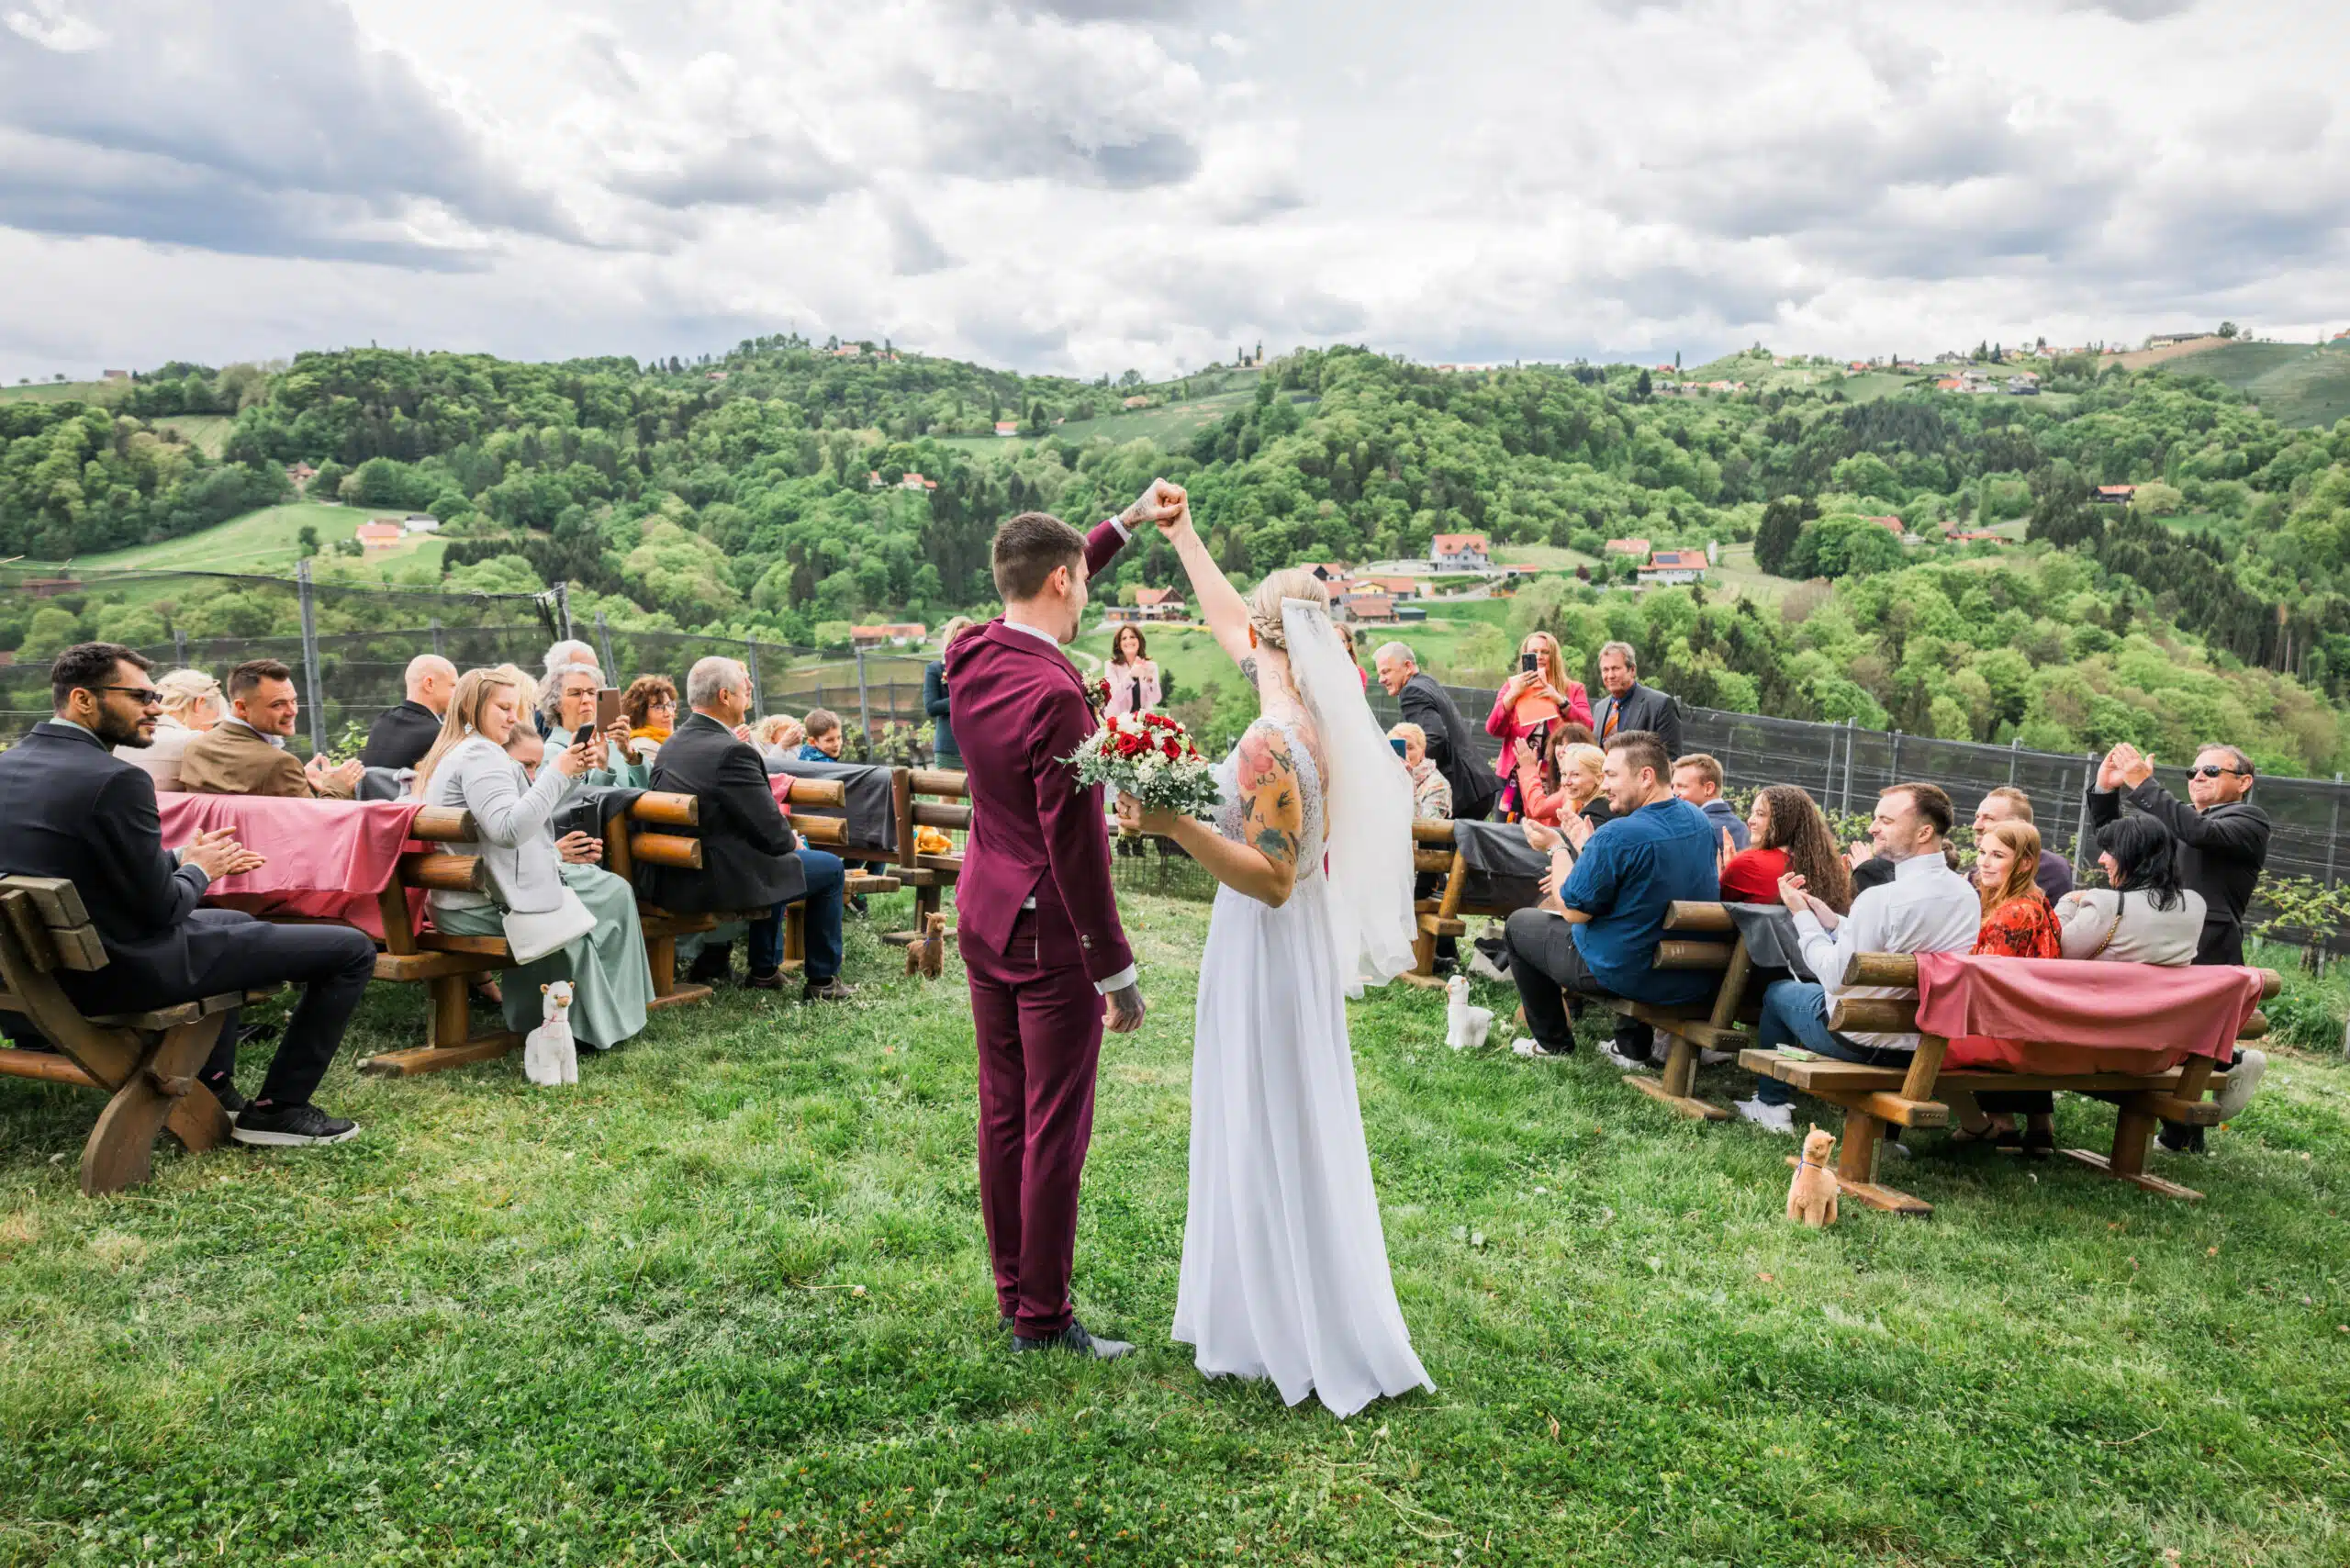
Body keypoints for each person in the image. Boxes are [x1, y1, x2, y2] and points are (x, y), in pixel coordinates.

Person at [1118, 502, 1432, 1417]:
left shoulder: (1269, 740)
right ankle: (1273, 1305)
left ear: (1264, 639)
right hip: (1290, 949)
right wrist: (1184, 535)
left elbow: (1272, 879)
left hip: (1266, 941)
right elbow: (1231, 621)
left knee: (1264, 1113)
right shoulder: (1315, 714)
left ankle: (1280, 1325)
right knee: (1279, 1112)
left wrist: (1170, 822)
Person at [946, 482, 1181, 1361]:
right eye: (1082, 578)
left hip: (985, 911)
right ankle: (1042, 1319)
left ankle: (1015, 1291)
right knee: (1053, 1125)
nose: (1087, 592)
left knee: (1004, 1112)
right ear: (1060, 582)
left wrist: (1125, 523)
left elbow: (1045, 566)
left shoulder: (969, 654)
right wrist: (1114, 973)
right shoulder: (1057, 697)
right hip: (1047, 934)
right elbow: (1078, 850)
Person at [0, 644, 375, 1146]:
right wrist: (201, 870)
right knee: (351, 949)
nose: (155, 708)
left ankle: (212, 1084)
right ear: (82, 700)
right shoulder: (116, 780)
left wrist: (179, 857)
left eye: (154, 696)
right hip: (116, 977)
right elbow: (165, 911)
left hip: (30, 975)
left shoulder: (9, 766)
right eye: (139, 696)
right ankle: (279, 1110)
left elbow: (73, 864)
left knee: (236, 925)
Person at [411, 668, 654, 1051]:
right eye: (503, 708)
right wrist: (557, 772)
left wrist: (570, 773)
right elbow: (509, 829)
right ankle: (601, 1018)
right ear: (472, 708)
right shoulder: (479, 755)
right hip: (481, 904)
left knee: (610, 890)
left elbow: (522, 812)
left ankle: (609, 1011)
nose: (513, 717)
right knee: (611, 893)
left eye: (516, 708)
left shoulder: (463, 751)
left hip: (467, 894)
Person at [1732, 783, 1979, 1135]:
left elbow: (1834, 977)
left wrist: (1801, 916)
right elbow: (1898, 944)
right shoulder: (1967, 896)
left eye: (1886, 821)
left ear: (1924, 832)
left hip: (1854, 1039)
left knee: (1777, 993)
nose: (1872, 828)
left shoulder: (1881, 899)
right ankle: (1887, 1139)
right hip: (1920, 1045)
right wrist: (1834, 923)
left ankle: (1771, 1105)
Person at [2090, 740, 2273, 1152]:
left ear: (2244, 782)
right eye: (2193, 772)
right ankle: (2184, 1136)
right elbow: (2119, 842)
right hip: (2163, 935)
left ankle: (2231, 1061)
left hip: (2209, 943)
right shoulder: (2179, 817)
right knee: (2166, 1037)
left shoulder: (2248, 819)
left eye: (2211, 771)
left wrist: (2143, 784)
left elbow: (2199, 832)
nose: (2198, 777)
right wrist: (2106, 791)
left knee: (2183, 1035)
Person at [1501, 731, 1719, 1066]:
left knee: (1520, 925)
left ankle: (1552, 1044)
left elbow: (1573, 910)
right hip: (1684, 970)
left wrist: (1557, 848)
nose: (1604, 786)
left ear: (1646, 776)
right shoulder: (1699, 821)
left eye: (1612, 775)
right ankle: (1631, 1049)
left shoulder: (1619, 834)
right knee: (1638, 926)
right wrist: (1588, 846)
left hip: (1626, 972)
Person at [642, 658, 854, 1002]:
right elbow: (773, 834)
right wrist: (794, 842)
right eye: (745, 687)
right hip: (718, 881)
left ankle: (765, 971)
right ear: (725, 696)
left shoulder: (672, 745)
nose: (750, 690)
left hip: (678, 874)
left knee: (773, 861)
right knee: (828, 869)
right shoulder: (732, 752)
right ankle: (823, 981)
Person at [178, 658, 365, 800]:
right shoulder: (279, 764)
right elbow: (319, 823)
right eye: (278, 704)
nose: (292, 711)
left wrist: (299, 779)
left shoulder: (196, 748)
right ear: (241, 707)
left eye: (294, 701)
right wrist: (338, 785)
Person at [1373, 641, 1499, 822]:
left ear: (1408, 666)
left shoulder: (1411, 692)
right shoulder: (1426, 682)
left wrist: (1408, 772)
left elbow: (1434, 738)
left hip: (1461, 791)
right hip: (1475, 786)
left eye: (1386, 672)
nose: (1381, 679)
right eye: (1379, 674)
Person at [1485, 632, 1593, 817]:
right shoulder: (1512, 687)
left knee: (1545, 825)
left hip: (1555, 778)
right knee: (1505, 827)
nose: (1539, 656)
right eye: (1533, 652)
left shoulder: (1573, 689)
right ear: (1524, 656)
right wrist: (1512, 696)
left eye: (1545, 652)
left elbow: (1587, 728)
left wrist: (1559, 700)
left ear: (1554, 656)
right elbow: (1493, 729)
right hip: (1514, 776)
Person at [1720, 785, 1852, 910]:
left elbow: (1716, 906)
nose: (1750, 820)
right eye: (1752, 813)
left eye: (1760, 814)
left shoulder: (1747, 864)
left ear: (1784, 822)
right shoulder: (1826, 870)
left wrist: (1730, 869)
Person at [123, 668, 225, 793]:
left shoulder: (125, 742)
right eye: (214, 721)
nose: (212, 728)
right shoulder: (194, 742)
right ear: (199, 703)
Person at [359, 654, 457, 772]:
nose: (458, 693)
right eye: (453, 685)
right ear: (429, 684)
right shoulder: (437, 735)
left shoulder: (381, 723)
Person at [1973, 788, 2073, 901]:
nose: (1976, 826)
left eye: (1989, 819)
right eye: (1977, 817)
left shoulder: (2051, 869)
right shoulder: (1980, 871)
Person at [1588, 641, 1681, 759]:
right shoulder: (1599, 708)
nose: (1610, 675)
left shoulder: (1660, 705)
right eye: (1605, 670)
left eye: (1616, 668)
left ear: (1632, 670)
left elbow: (1671, 760)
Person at [1521, 737, 1610, 834]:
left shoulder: (1594, 815)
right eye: (1563, 774)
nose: (1566, 782)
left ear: (1599, 778)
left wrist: (1528, 770)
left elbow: (1538, 808)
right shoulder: (1596, 805)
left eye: (1575, 774)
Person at [1672, 753, 1749, 855]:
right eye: (1672, 787)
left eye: (1682, 786)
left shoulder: (1693, 827)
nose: (1673, 793)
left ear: (1708, 788)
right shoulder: (1742, 827)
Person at [926, 617, 977, 765]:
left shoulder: (981, 668)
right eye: (960, 638)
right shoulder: (935, 669)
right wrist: (961, 698)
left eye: (969, 639)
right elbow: (931, 707)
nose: (965, 643)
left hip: (979, 750)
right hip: (949, 751)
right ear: (950, 640)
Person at [1388, 722, 1452, 821]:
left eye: (1410, 748)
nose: (1405, 754)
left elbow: (1426, 824)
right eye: (1397, 749)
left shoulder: (1439, 785)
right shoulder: (1383, 776)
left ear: (1422, 753)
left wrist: (1408, 783)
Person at [1102, 624, 1161, 720]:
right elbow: (1114, 697)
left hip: (1144, 722)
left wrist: (1150, 680)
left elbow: (1156, 699)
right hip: (1119, 721)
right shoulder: (1111, 666)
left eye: (1132, 637)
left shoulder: (1151, 666)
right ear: (1119, 645)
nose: (1129, 641)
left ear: (1139, 641)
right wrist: (1131, 677)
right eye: (1124, 638)